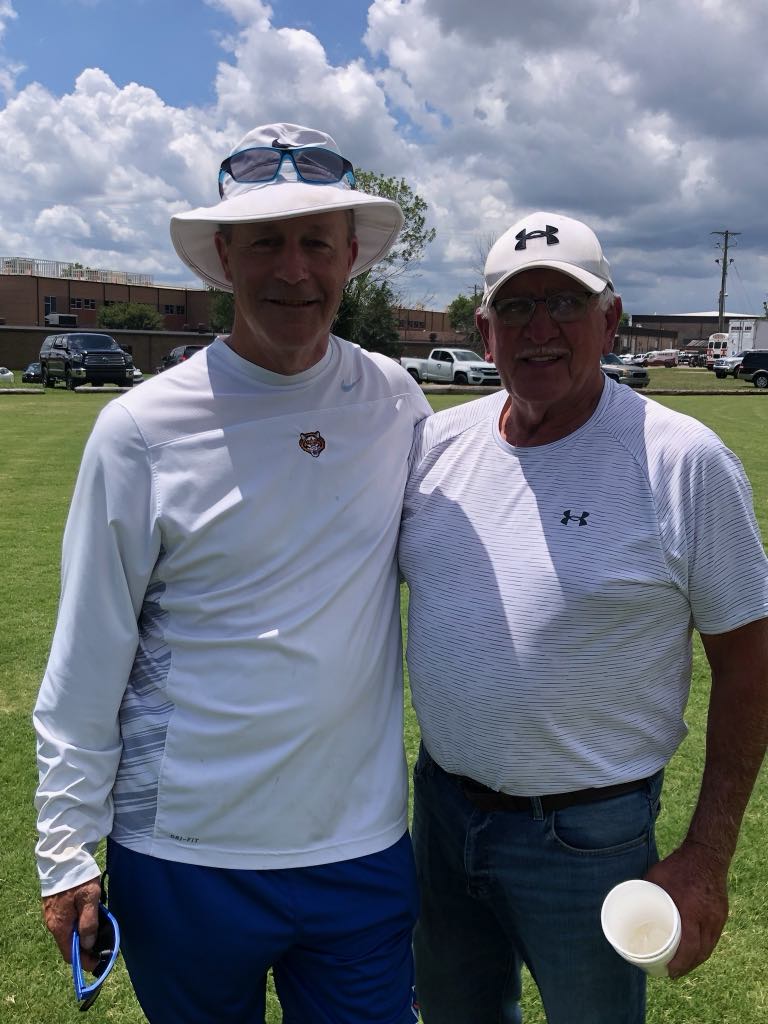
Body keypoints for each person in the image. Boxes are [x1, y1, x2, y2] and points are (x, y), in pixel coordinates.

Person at [34, 122, 431, 1024]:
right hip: (186, 855)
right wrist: (66, 853)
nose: (294, 270)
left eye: (315, 243)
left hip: (359, 848)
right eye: (266, 242)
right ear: (224, 255)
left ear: (349, 259)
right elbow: (88, 654)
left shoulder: (395, 400)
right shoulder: (139, 430)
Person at [398, 211, 768, 1024]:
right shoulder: (436, 446)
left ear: (610, 319)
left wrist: (707, 856)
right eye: (516, 307)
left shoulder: (681, 461)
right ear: (484, 331)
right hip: (441, 814)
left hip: (586, 840)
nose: (540, 328)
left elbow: (750, 663)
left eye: (564, 304)